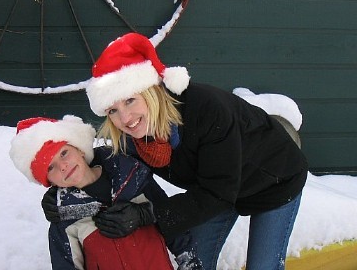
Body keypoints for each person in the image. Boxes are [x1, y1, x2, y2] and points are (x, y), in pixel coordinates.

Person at [84, 32, 309, 270]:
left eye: (130, 100)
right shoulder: (131, 138)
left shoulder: (208, 111)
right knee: (195, 261)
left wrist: (146, 214)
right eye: (112, 110)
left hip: (273, 178)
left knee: (263, 266)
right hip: (215, 187)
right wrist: (61, 195)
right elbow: (102, 168)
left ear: (152, 92)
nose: (125, 118)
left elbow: (218, 193)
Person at [9, 115, 202, 270]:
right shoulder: (64, 222)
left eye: (64, 153)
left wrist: (189, 261)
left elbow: (170, 220)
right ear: (48, 181)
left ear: (80, 149)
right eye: (50, 167)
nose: (63, 166)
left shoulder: (134, 178)